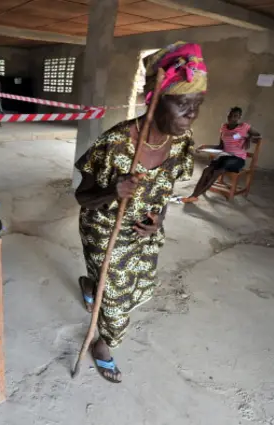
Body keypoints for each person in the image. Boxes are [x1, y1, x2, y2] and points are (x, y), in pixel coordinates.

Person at [75, 42, 207, 383]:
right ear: (157, 100)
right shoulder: (116, 143)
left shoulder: (182, 141)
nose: (191, 115)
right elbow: (81, 196)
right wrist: (110, 191)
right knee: (116, 300)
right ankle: (103, 344)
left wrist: (159, 218)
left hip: (144, 232)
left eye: (197, 106)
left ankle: (90, 283)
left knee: (142, 286)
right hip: (106, 232)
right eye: (182, 105)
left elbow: (168, 189)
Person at [176, 106, 261, 203]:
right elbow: (221, 146)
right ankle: (194, 195)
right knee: (207, 170)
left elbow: (258, 135)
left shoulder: (244, 127)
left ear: (239, 117)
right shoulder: (224, 128)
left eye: (235, 116)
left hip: (237, 159)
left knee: (217, 171)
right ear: (227, 116)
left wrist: (248, 137)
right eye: (230, 115)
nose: (232, 118)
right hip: (225, 155)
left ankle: (194, 196)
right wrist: (204, 146)